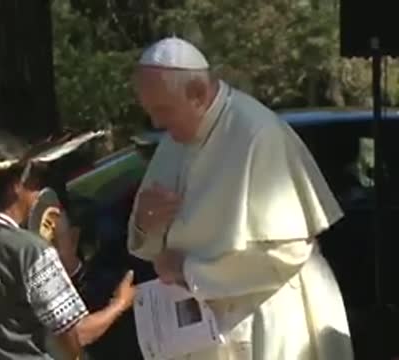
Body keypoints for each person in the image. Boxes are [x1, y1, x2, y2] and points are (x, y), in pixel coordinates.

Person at [127, 37, 354, 359]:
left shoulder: (258, 133)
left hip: (268, 319)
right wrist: (144, 223)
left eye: (163, 110)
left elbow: (288, 252)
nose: (156, 123)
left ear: (198, 94)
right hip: (204, 327)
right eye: (150, 111)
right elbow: (151, 241)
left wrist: (190, 272)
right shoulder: (175, 140)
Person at [0, 132, 136, 360]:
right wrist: (119, 304)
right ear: (16, 186)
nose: (38, 192)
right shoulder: (29, 250)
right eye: (36, 181)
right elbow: (76, 336)